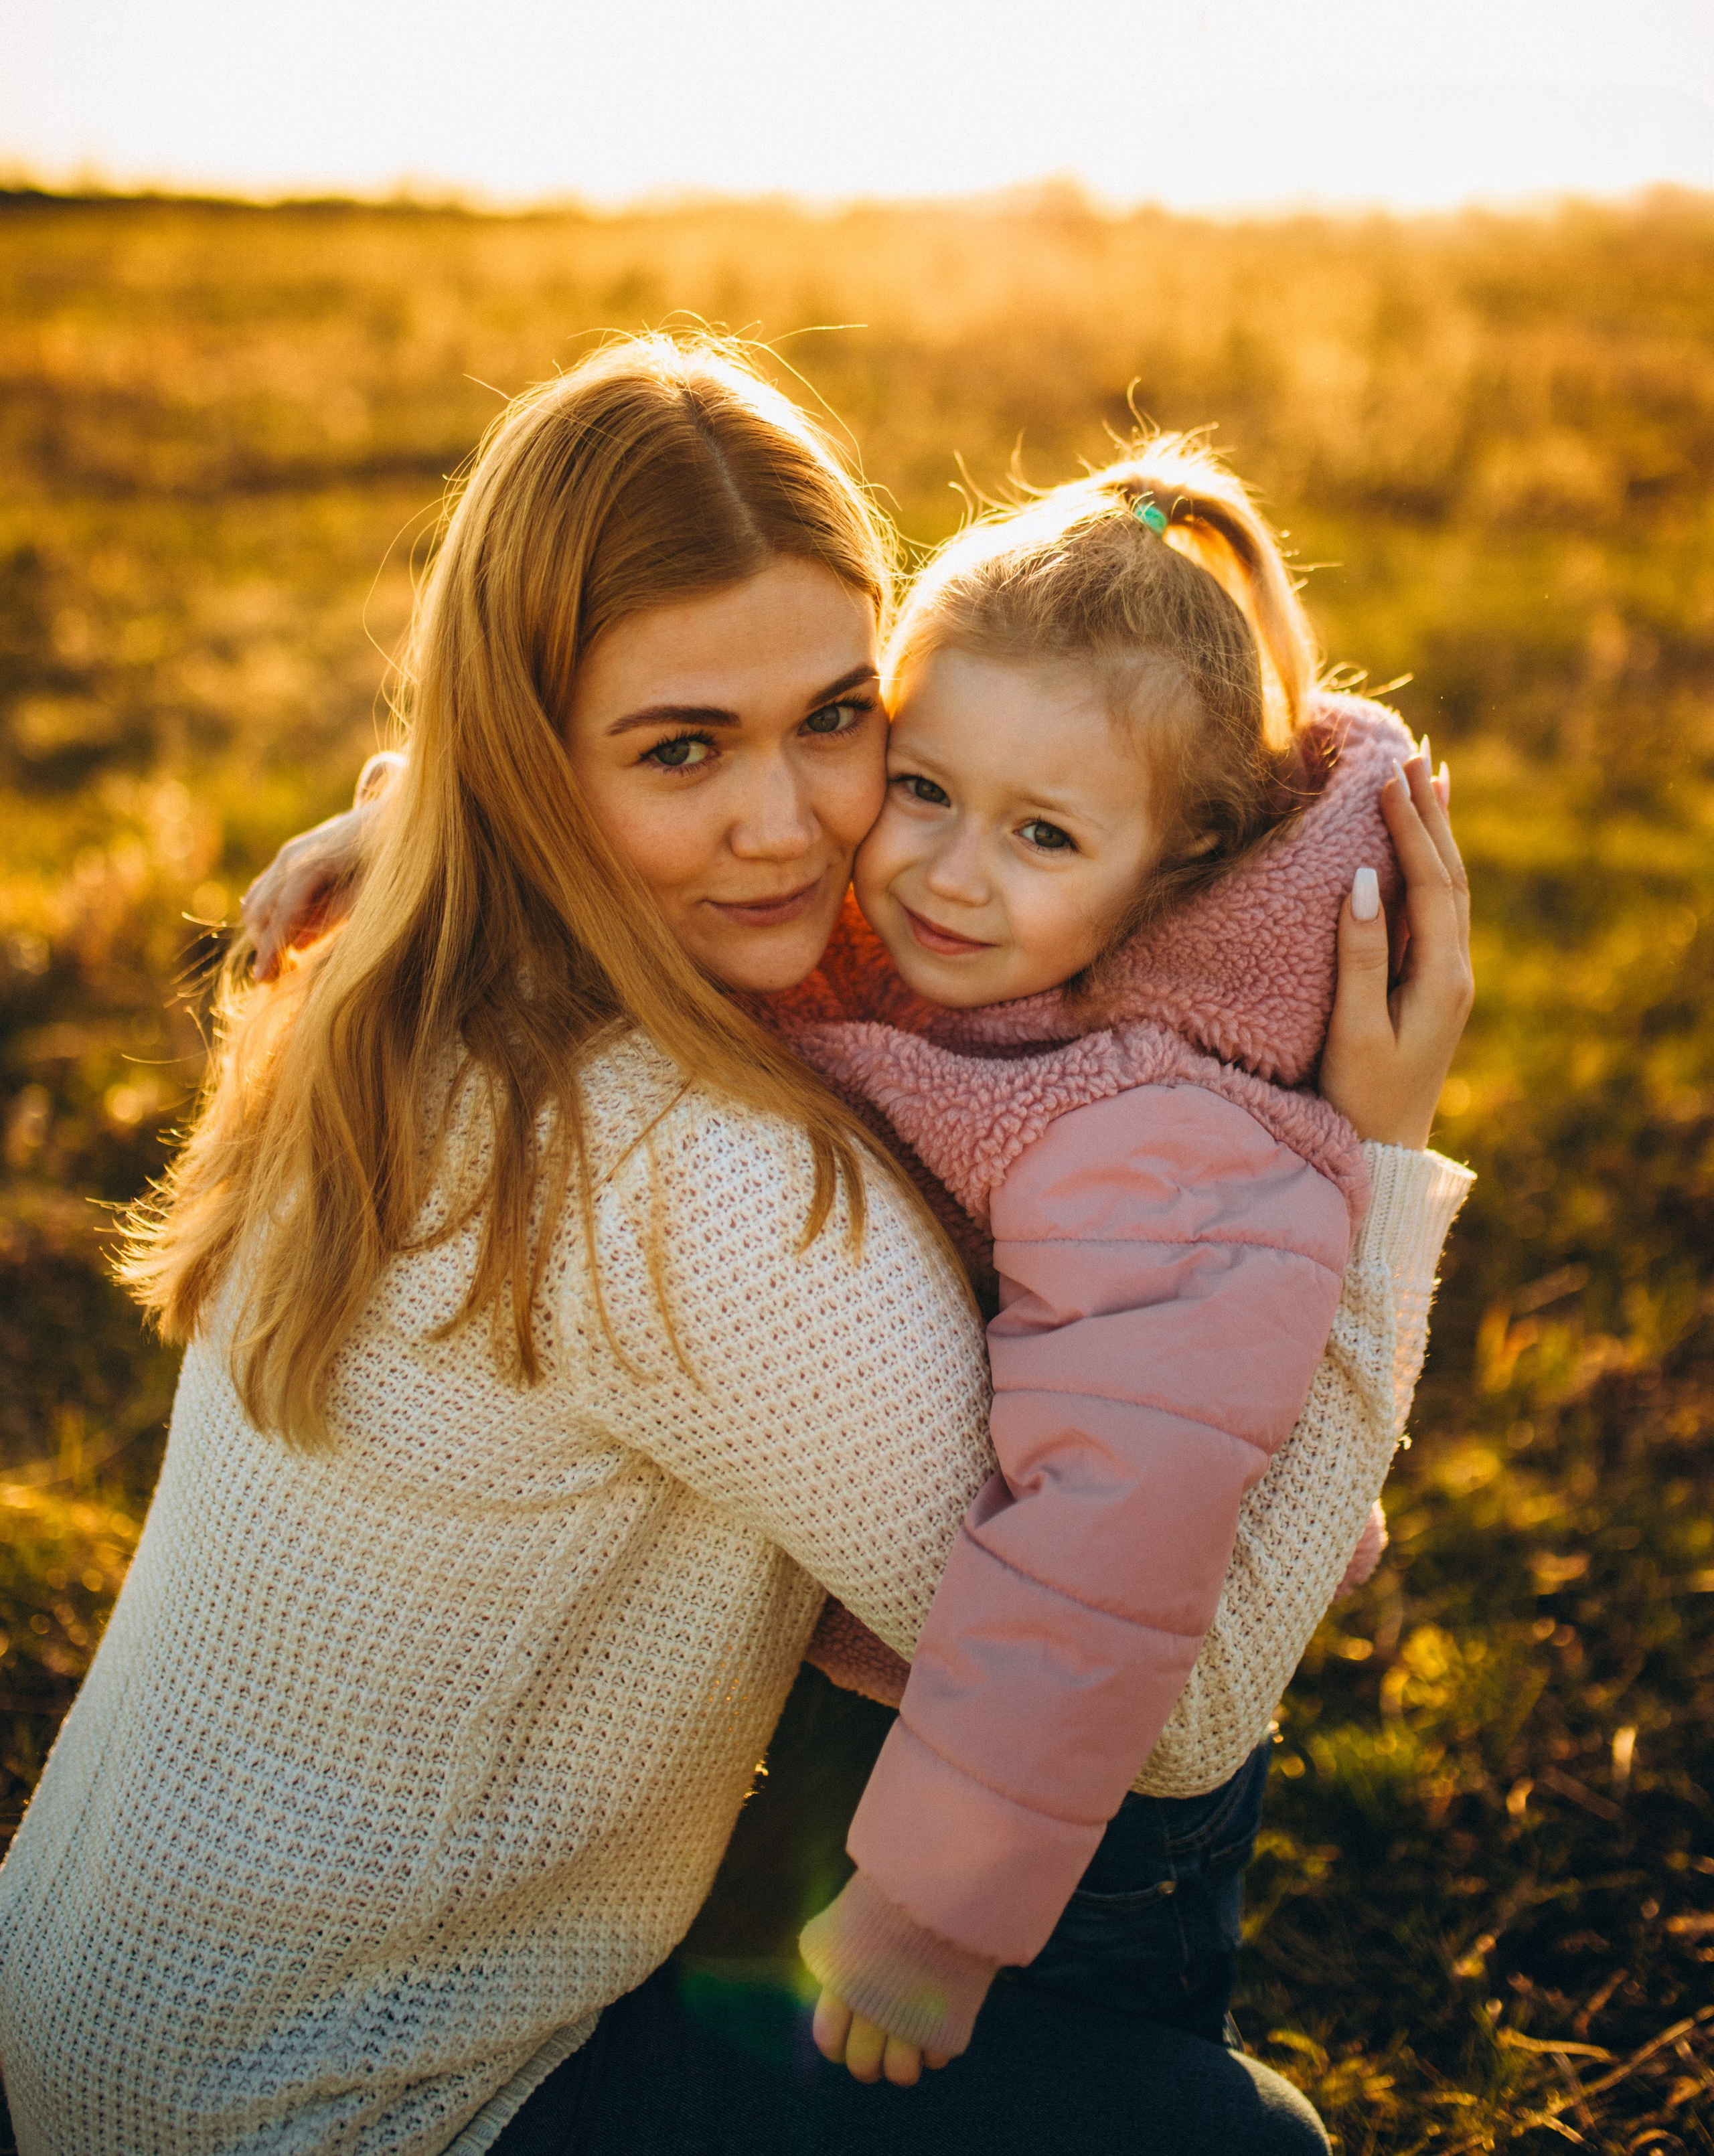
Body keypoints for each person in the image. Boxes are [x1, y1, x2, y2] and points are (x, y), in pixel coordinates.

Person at [0, 337, 1470, 2156]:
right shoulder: (702, 1188)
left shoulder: (421, 974)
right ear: (524, 761)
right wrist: (1370, 1166)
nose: (789, 829)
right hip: (341, 2111)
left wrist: (393, 822)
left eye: (837, 719)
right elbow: (1190, 1696)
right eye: (683, 748)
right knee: (1234, 2146)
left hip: (90, 2015)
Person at [731, 442, 1474, 2078]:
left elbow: (1104, 1548)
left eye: (1043, 835)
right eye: (923, 790)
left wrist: (935, 1911)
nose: (947, 871)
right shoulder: (972, 974)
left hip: (1071, 1844)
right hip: (936, 1728)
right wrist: (405, 834)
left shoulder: (1157, 1143)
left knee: (1043, 2096)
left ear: (1178, 869)